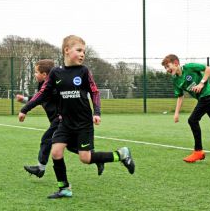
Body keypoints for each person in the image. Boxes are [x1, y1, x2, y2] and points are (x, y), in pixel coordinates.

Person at [19, 35, 135, 199]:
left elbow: (94, 92)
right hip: (64, 123)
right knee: (56, 152)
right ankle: (64, 188)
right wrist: (25, 109)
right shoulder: (55, 73)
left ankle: (121, 154)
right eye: (79, 50)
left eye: (84, 51)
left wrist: (97, 112)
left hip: (83, 124)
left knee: (85, 158)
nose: (82, 54)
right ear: (66, 50)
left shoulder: (84, 71)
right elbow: (42, 93)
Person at [17, 59, 104, 178]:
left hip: (61, 119)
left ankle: (40, 168)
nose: (34, 74)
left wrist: (24, 109)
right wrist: (25, 101)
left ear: (44, 75)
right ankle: (97, 158)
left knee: (47, 139)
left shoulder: (54, 87)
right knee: (71, 146)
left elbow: (43, 97)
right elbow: (41, 98)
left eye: (36, 72)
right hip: (58, 120)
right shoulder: (44, 85)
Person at [161, 54, 210, 163]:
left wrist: (201, 84)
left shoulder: (189, 67)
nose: (167, 69)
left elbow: (208, 69)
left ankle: (198, 152)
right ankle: (198, 152)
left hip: (208, 96)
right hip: (207, 98)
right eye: (165, 68)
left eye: (168, 66)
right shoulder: (175, 80)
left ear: (176, 63)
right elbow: (180, 96)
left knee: (192, 120)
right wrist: (176, 113)